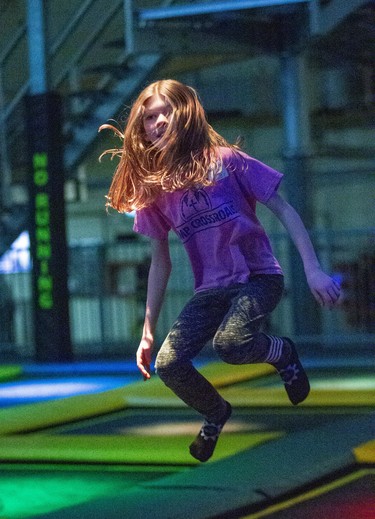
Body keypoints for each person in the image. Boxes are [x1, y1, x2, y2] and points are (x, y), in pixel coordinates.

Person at [100, 79, 341, 462]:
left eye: (167, 112)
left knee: (230, 344)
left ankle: (283, 354)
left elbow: (285, 210)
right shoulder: (157, 190)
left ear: (186, 116)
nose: (158, 122)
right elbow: (160, 260)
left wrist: (313, 270)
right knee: (168, 363)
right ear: (141, 128)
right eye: (149, 117)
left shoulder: (227, 160)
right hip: (210, 290)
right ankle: (215, 412)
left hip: (258, 278)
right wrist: (148, 330)